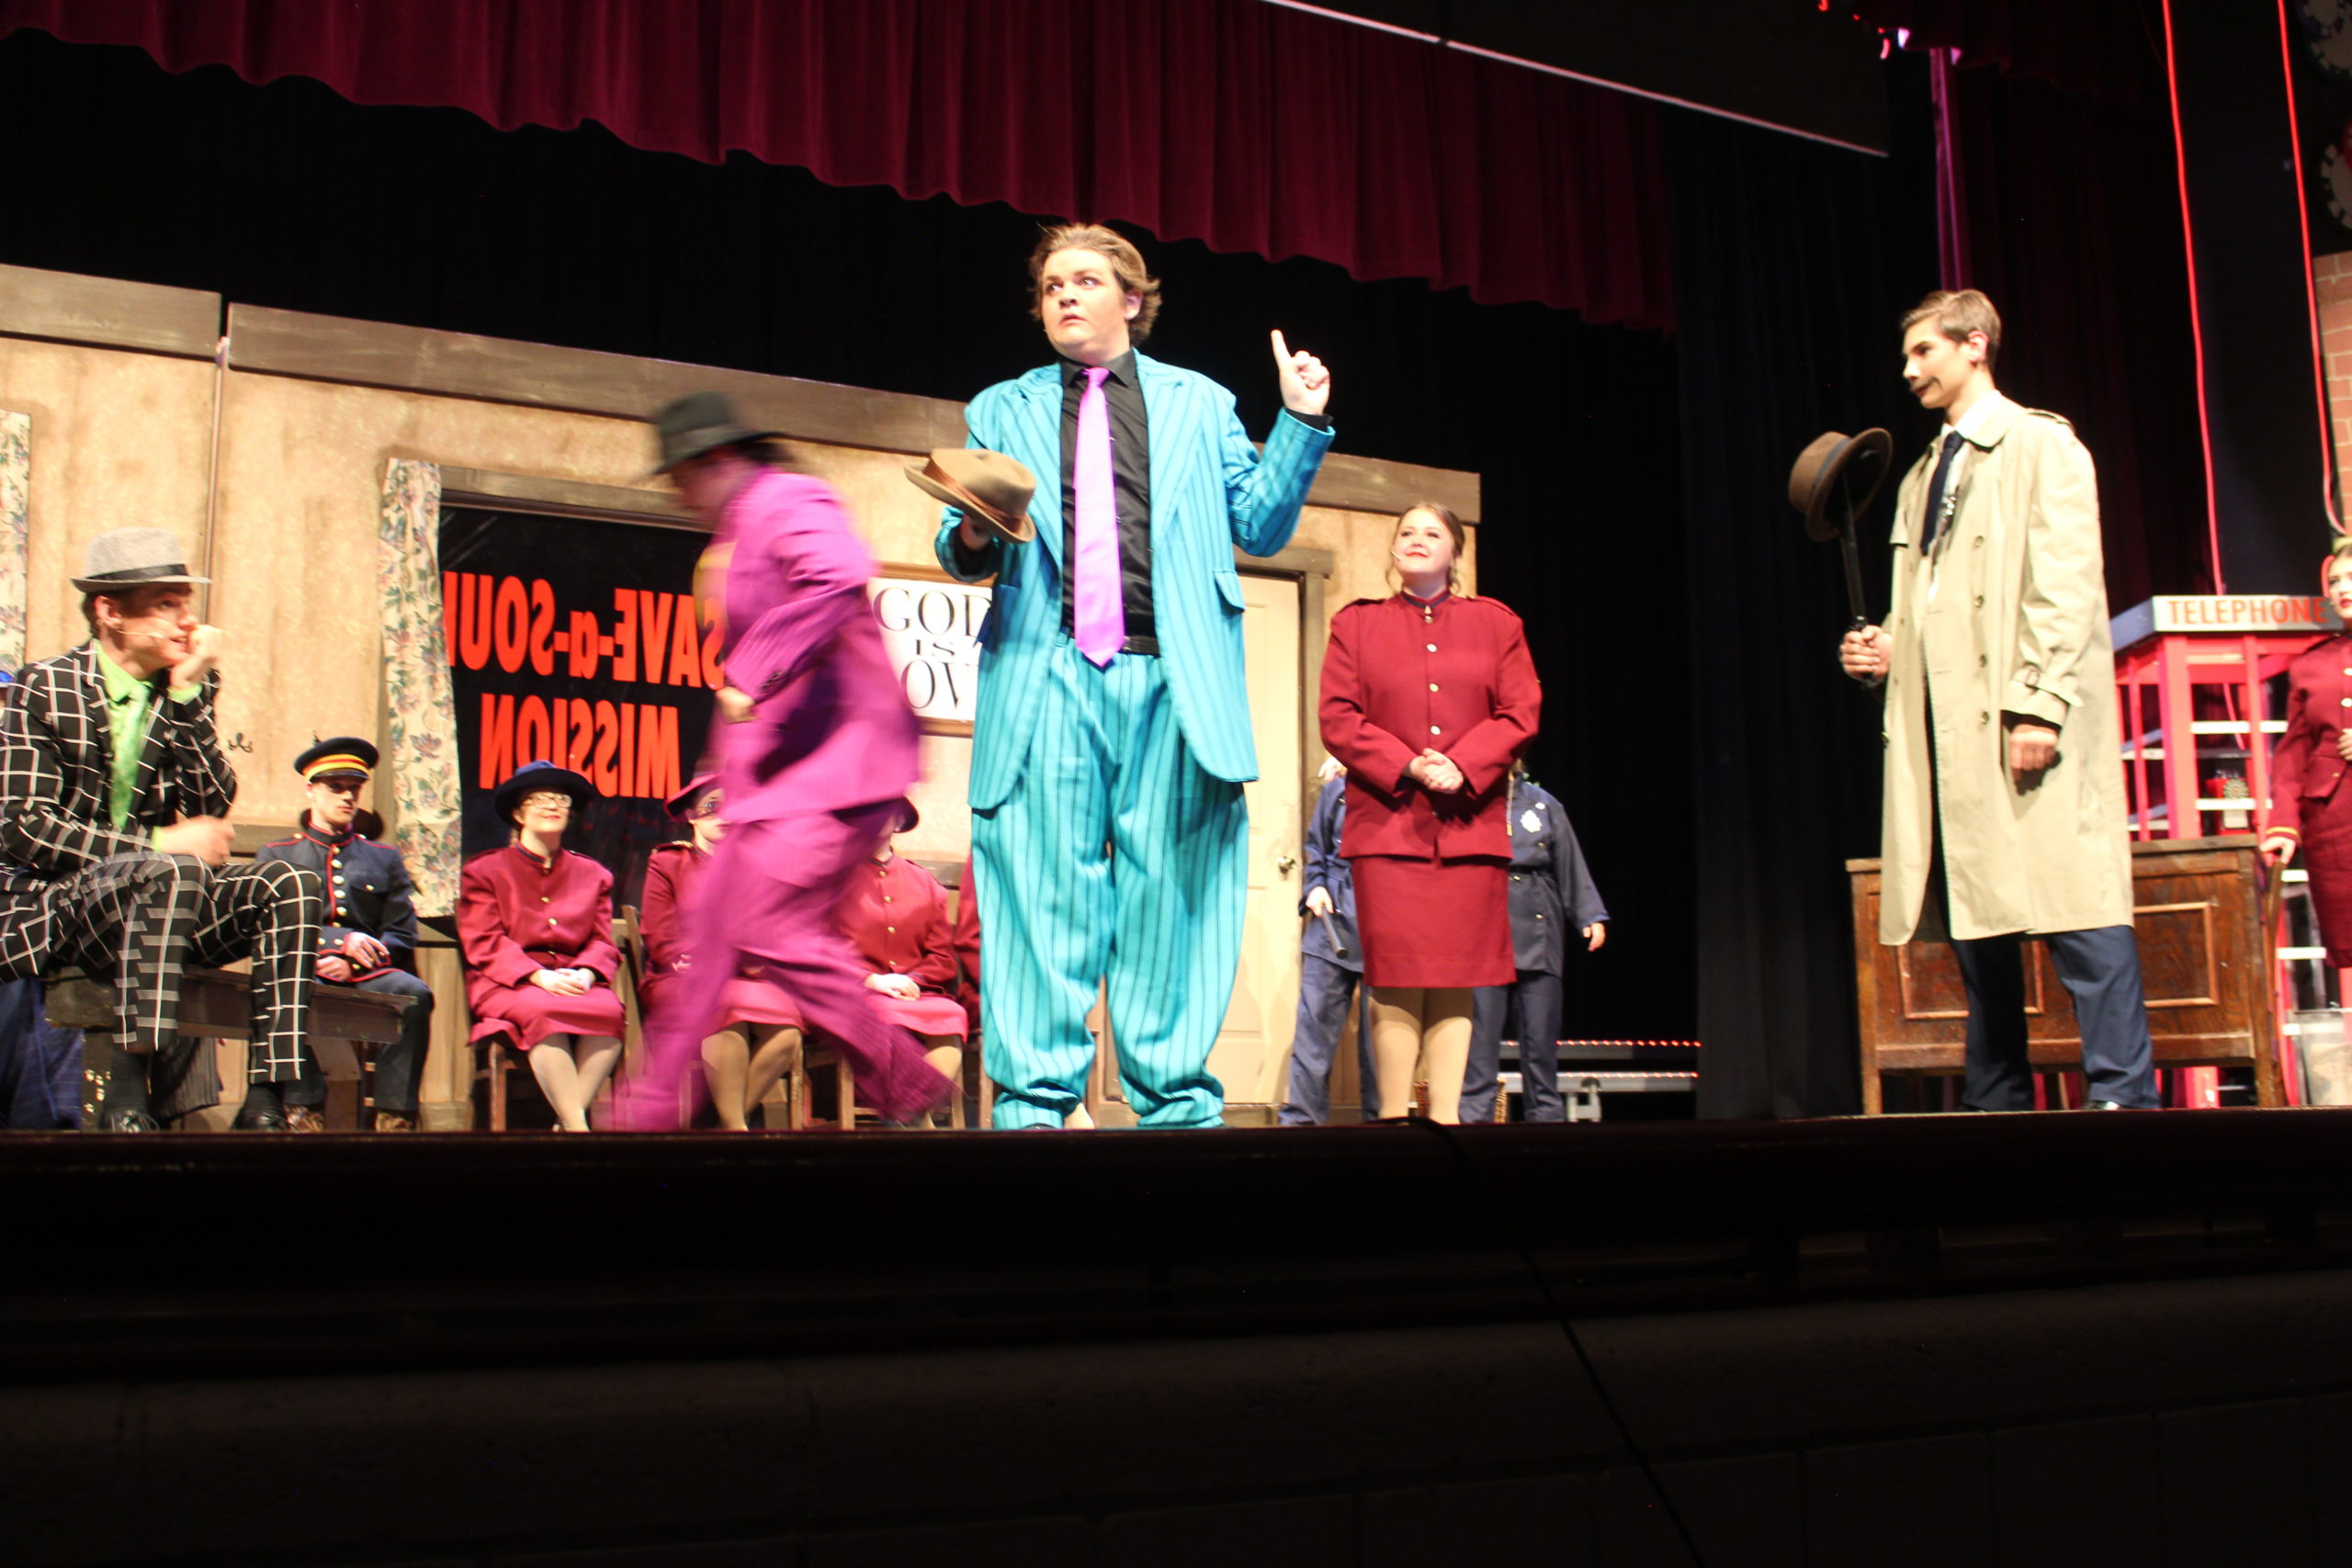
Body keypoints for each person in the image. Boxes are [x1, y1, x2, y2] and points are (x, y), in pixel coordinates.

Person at [933, 222, 1334, 1130]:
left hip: (1172, 683)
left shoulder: (1200, 402)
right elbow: (963, 546)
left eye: (1085, 280)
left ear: (1132, 299)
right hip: (1047, 676)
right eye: (1052, 287)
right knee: (1041, 899)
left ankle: (1176, 1115)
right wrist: (971, 528)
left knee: (1171, 905)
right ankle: (1034, 1111)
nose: (1065, 297)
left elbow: (1261, 526)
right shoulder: (1001, 407)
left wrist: (1299, 422)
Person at [1839, 288, 2156, 1111]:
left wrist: (2039, 703)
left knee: (2078, 909)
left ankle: (2126, 1101)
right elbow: (1929, 601)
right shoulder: (1921, 475)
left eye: (1924, 351)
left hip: (2020, 718)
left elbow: (2066, 585)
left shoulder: (2040, 444)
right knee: (1980, 928)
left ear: (1974, 344)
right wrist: (1887, 650)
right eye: (1907, 356)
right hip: (1953, 736)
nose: (1909, 370)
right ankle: (1998, 1107)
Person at [630, 392, 956, 1128]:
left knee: (766, 925)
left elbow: (836, 577)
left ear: (719, 460)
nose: (678, 496)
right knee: (714, 922)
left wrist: (751, 672)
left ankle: (904, 1078)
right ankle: (648, 1115)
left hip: (843, 767)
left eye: (680, 478)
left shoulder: (786, 498)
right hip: (782, 780)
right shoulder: (738, 531)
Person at [0, 527, 321, 1131]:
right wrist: (156, 843)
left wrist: (189, 695)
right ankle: (127, 1093)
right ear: (110, 612)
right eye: (166, 604)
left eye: (186, 603)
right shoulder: (44, 688)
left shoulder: (181, 688)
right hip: (62, 907)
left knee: (291, 883)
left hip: (158, 905)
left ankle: (266, 1099)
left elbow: (211, 802)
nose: (187, 620)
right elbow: (24, 828)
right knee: (169, 869)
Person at [1318, 503, 1540, 1123]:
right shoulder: (1356, 624)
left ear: (1456, 552)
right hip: (1388, 826)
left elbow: (1521, 711)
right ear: (1393, 550)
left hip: (1468, 825)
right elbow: (1338, 716)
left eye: (1432, 533)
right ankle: (1392, 1119)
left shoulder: (1497, 624)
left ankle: (1447, 1123)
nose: (1417, 540)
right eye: (1407, 532)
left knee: (1456, 974)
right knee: (1393, 972)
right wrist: (1410, 764)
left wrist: (1463, 764)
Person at [255, 737, 435, 1132]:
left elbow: (401, 932)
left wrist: (354, 962)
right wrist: (335, 944)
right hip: (304, 968)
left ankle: (395, 1116)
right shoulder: (278, 854)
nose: (348, 797)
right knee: (292, 991)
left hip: (368, 972)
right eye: (336, 787)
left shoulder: (383, 857)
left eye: (354, 788)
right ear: (311, 789)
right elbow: (271, 926)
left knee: (415, 995)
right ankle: (303, 1113)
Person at [457, 761, 626, 1132]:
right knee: (543, 1011)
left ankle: (565, 1127)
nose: (552, 805)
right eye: (539, 799)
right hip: (508, 983)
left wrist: (586, 973)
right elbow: (484, 940)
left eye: (560, 799)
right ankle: (578, 1129)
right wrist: (536, 976)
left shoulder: (594, 875)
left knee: (610, 1012)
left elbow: (601, 940)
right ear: (518, 814)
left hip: (573, 979)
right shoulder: (485, 871)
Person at [639, 773, 805, 1133]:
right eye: (712, 807)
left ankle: (724, 1127)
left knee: (787, 1029)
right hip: (683, 978)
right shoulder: (668, 863)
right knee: (722, 1007)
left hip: (746, 975)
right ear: (692, 816)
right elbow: (660, 932)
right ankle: (735, 1128)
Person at [1460, 765, 1609, 1124]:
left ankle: (1545, 1122)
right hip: (1484, 926)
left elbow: (1569, 862)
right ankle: (1474, 1123)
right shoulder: (1467, 801)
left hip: (1539, 927)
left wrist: (1589, 915)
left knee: (1540, 1040)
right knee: (1479, 1044)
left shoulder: (1544, 804)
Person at [823, 799, 967, 1126]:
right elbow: (820, 948)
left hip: (915, 992)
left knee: (949, 1014)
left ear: (899, 821)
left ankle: (911, 1117)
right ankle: (918, 1125)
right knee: (881, 1015)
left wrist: (914, 980)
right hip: (856, 993)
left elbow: (942, 955)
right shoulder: (832, 880)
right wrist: (870, 980)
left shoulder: (924, 882)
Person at [2260, 540, 2352, 1002]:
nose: (2342, 589)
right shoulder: (2311, 664)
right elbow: (2293, 753)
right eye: (2335, 581)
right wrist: (2283, 825)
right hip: (2335, 828)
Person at [1278, 762, 1376, 1125]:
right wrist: (1315, 885)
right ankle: (1301, 1125)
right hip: (1331, 922)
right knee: (1313, 1033)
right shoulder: (1338, 791)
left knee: (1379, 1044)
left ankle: (1384, 1127)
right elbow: (1316, 848)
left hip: (1383, 927)